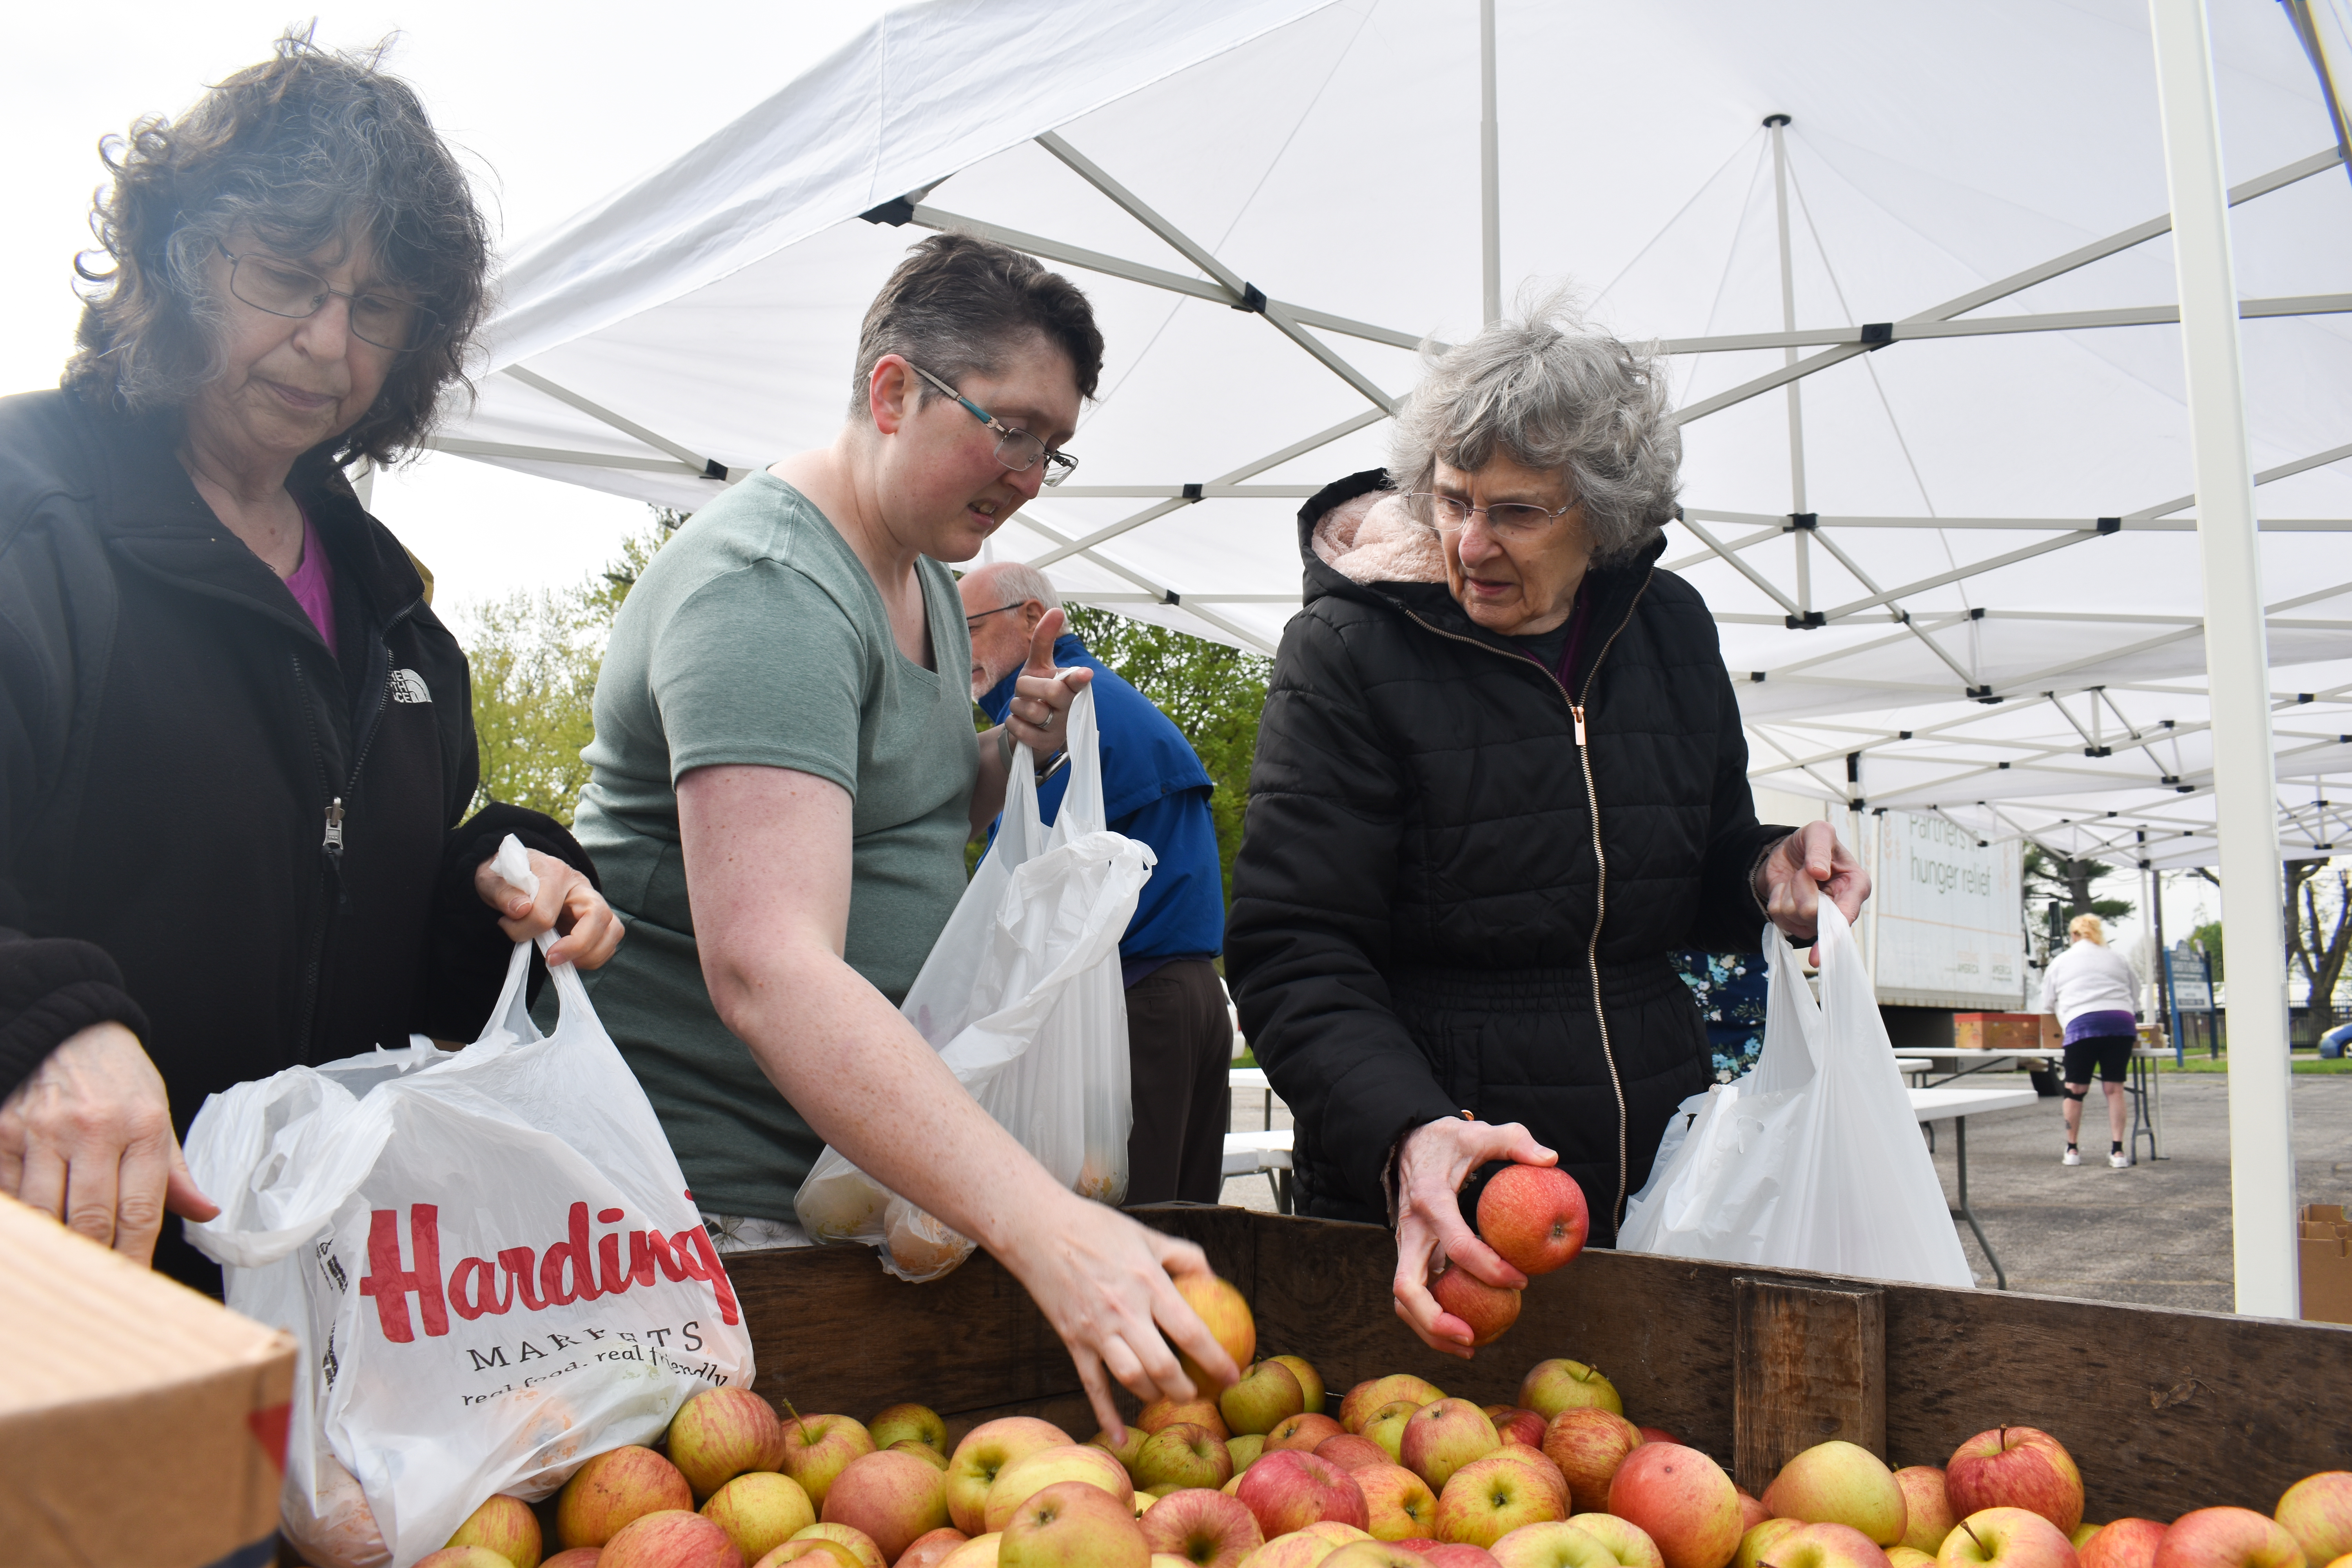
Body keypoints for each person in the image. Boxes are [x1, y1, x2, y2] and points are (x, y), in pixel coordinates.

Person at [570, 233, 1232, 1432]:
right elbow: (766, 968)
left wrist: (1004, 758)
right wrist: (1038, 1219)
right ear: (891, 392)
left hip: (850, 1190)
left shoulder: (923, 571)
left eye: (1053, 446)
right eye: (1012, 427)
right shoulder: (769, 587)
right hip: (718, 1217)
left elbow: (888, 811)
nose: (1030, 472)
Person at [0, 35, 621, 1295]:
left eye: (377, 309)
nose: (327, 344)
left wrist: (503, 887)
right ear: (179, 262)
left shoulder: (397, 616)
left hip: (303, 1317)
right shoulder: (30, 517)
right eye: (289, 278)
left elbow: (352, 927)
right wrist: (37, 1022)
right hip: (54, 1299)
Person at [1225, 298, 1870, 1358]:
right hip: (1450, 1194)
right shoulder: (1346, 652)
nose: (1469, 544)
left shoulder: (1669, 628)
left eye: (1516, 513)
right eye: (1450, 500)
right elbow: (1293, 950)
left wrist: (1769, 873)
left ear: (1606, 517)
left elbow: (1693, 866)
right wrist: (1408, 1135)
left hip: (1663, 1173)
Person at [960, 563, 1231, 1204]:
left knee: (1123, 1243)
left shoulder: (1065, 716)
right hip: (1185, 998)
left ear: (1033, 619)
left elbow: (1011, 900)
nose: (955, 649)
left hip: (1133, 1010)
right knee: (1183, 1234)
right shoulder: (1106, 701)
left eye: (967, 627)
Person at [2040, 913, 2140, 1167]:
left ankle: (2072, 1149)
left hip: (2082, 1023)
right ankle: (2118, 1152)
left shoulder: (2062, 961)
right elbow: (2136, 993)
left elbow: (2047, 1002)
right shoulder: (2117, 958)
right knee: (2114, 1089)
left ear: (2074, 935)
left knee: (2075, 1089)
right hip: (2121, 1022)